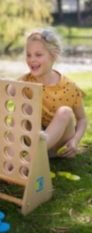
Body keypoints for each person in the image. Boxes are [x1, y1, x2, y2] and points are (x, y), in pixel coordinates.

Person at [19, 28, 87, 158]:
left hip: (58, 140)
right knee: (26, 106)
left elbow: (82, 119)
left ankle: (33, 158)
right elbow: (4, 94)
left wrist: (75, 140)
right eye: (29, 55)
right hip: (33, 137)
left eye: (38, 55)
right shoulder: (25, 80)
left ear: (53, 55)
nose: (31, 59)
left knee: (65, 112)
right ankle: (18, 158)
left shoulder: (69, 87)